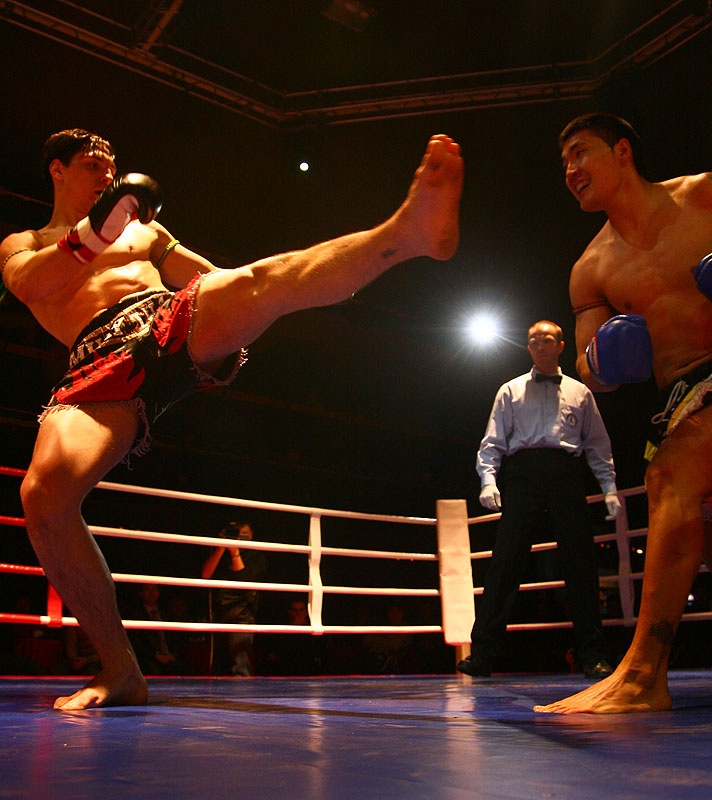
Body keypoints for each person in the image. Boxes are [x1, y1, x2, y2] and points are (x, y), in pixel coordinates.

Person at [0, 127, 463, 710]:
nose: (106, 173)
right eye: (93, 164)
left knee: (266, 279)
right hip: (96, 362)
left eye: (111, 164)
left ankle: (405, 233)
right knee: (43, 498)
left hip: (167, 318)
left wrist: (257, 302)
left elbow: (212, 274)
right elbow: (29, 283)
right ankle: (120, 670)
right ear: (58, 170)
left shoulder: (146, 230)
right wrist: (99, 230)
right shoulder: (27, 242)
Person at [533, 112, 712, 714]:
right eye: (564, 164)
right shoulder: (591, 268)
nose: (571, 170)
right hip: (684, 398)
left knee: (670, 478)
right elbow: (590, 369)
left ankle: (641, 676)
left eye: (581, 153)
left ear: (623, 152)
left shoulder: (703, 196)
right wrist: (604, 360)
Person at [457, 319, 621, 679]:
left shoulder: (580, 392)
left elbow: (598, 445)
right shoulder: (510, 390)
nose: (539, 346)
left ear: (560, 345)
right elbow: (492, 441)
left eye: (546, 340)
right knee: (505, 560)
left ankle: (593, 654)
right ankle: (483, 654)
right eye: (533, 341)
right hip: (523, 474)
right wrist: (488, 480)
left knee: (580, 562)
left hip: (566, 472)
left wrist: (608, 487)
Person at [201, 521, 266, 676]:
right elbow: (205, 575)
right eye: (238, 534)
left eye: (245, 535)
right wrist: (221, 547)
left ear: (251, 536)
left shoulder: (256, 555)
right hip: (220, 611)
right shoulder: (222, 553)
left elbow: (243, 580)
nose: (240, 538)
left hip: (242, 613)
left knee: (239, 663)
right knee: (219, 665)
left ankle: (241, 691)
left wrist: (234, 552)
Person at [122, 583, 194, 676]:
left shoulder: (166, 612)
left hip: (170, 657)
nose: (151, 593)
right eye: (147, 589)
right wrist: (155, 655)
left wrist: (173, 655)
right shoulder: (135, 614)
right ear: (141, 593)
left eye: (154, 589)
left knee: (188, 669)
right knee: (152, 670)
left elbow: (176, 637)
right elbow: (136, 643)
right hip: (149, 659)